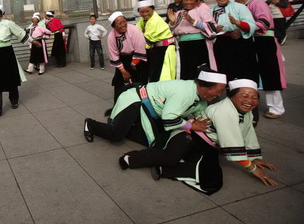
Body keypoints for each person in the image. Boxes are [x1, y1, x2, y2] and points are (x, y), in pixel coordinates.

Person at [118, 79, 277, 195]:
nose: (249, 101)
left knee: (212, 179)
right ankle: (131, 159)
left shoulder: (246, 113)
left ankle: (163, 170)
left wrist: (254, 157)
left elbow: (248, 134)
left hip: (206, 144)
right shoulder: (224, 111)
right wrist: (253, 168)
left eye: (254, 97)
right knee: (171, 157)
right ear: (232, 96)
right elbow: (231, 142)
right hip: (187, 135)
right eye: (244, 96)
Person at [83, 68, 227, 148]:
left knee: (151, 141)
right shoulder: (184, 92)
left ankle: (127, 125)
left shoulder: (202, 99)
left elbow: (202, 120)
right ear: (203, 86)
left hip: (151, 109)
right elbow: (169, 120)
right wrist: (190, 125)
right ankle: (91, 124)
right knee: (116, 136)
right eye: (218, 90)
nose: (219, 95)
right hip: (135, 100)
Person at [233, 0, 287, 119]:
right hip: (255, 41)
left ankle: (277, 108)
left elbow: (264, 22)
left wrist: (243, 27)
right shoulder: (245, 6)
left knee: (271, 73)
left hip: (265, 41)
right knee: (262, 74)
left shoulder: (258, 4)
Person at [211, 0, 258, 84]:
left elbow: (252, 24)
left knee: (244, 72)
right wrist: (214, 29)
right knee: (226, 72)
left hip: (240, 43)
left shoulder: (240, 7)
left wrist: (240, 28)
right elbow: (208, 28)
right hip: (221, 45)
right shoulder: (212, 11)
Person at [168, 0, 217, 80]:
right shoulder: (178, 14)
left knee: (203, 72)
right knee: (187, 72)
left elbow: (212, 28)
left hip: (200, 45)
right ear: (182, 1)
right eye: (186, 0)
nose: (188, 2)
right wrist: (172, 23)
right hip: (184, 46)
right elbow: (172, 32)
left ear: (196, 0)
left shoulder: (203, 11)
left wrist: (192, 21)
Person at [107, 12, 148, 102]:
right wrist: (123, 71)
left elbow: (140, 48)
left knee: (139, 81)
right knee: (118, 82)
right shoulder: (111, 36)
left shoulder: (134, 30)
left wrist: (133, 64)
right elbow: (114, 54)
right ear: (114, 26)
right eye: (119, 23)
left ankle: (141, 104)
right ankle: (118, 106)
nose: (123, 25)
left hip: (137, 58)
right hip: (122, 59)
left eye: (124, 21)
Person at [136, 0, 176, 82]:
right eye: (142, 12)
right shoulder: (143, 20)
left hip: (165, 48)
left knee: (162, 74)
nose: (145, 14)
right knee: (156, 73)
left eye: (147, 11)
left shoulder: (154, 20)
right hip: (156, 48)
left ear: (153, 9)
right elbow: (136, 32)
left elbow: (146, 41)